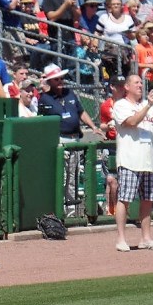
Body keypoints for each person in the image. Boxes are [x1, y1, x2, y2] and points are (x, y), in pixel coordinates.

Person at [37, 63, 103, 217]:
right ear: (49, 81)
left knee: (73, 177)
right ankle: (59, 211)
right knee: (62, 177)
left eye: (61, 78)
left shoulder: (70, 93)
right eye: (56, 79)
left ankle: (71, 212)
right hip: (59, 140)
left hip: (75, 139)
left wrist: (93, 127)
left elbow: (81, 112)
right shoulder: (45, 99)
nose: (60, 81)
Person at [112, 74, 153, 251]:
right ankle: (121, 238)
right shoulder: (121, 105)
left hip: (149, 159)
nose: (140, 85)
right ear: (126, 87)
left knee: (148, 201)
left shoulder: (146, 104)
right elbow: (132, 122)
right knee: (125, 199)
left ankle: (146, 238)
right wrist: (149, 105)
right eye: (136, 83)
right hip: (130, 159)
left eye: (141, 83)